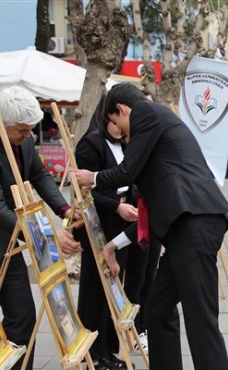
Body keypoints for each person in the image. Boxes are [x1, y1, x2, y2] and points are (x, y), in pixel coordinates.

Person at [72, 83, 228, 370]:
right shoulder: (153, 134)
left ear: (121, 109)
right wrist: (113, 245)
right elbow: (147, 215)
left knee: (201, 321)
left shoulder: (145, 111)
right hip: (183, 229)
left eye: (115, 122)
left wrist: (92, 178)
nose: (118, 130)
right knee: (158, 308)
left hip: (194, 224)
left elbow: (127, 171)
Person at [0, 86, 82, 370]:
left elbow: (39, 175)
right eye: (22, 131)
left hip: (9, 245)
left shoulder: (24, 140)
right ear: (0, 122)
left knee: (23, 317)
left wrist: (63, 209)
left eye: (30, 130)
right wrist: (47, 234)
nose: (28, 136)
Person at [74, 95, 157, 369]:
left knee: (114, 288)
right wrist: (117, 207)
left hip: (124, 220)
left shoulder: (124, 142)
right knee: (97, 289)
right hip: (102, 222)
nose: (120, 128)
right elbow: (87, 191)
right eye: (115, 123)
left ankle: (109, 348)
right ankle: (95, 354)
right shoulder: (91, 144)